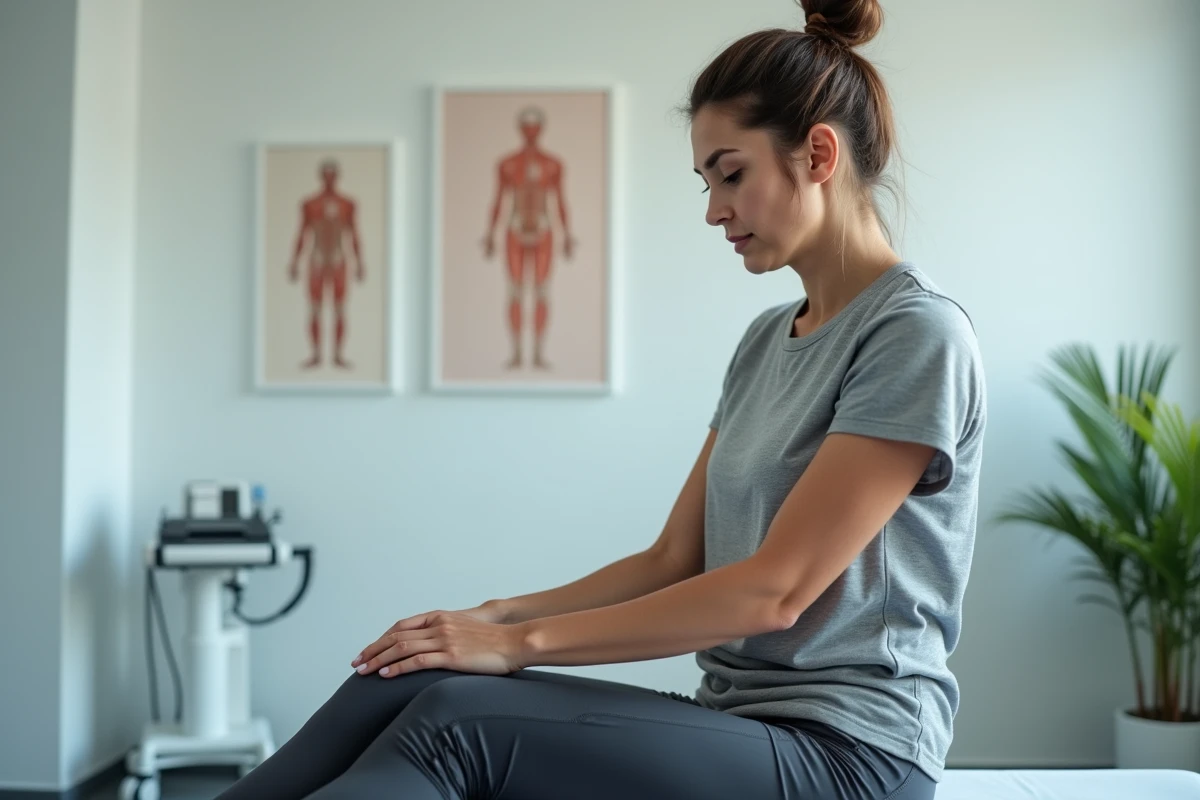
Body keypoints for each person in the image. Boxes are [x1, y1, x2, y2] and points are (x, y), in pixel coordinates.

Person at [219, 0, 984, 796]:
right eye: (706, 181)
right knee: (408, 679)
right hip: (742, 722)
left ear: (818, 153)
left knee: (455, 729)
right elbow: (673, 559)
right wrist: (497, 617)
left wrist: (521, 646)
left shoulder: (914, 335)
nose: (714, 209)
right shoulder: (765, 341)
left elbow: (775, 592)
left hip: (855, 756)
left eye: (732, 173)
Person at [482, 106, 575, 370]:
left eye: (535, 126)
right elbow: (498, 199)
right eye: (527, 126)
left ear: (541, 128)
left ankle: (537, 354)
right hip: (514, 229)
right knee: (515, 291)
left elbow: (560, 200)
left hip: (544, 230)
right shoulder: (507, 164)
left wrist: (567, 235)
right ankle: (516, 353)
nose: (531, 132)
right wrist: (490, 234)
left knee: (542, 292)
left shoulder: (553, 164)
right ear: (520, 128)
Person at [288, 158, 365, 370]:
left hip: (339, 260)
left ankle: (338, 355)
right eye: (326, 174)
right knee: (314, 309)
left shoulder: (347, 204)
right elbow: (302, 233)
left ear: (337, 176)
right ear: (321, 176)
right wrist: (294, 261)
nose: (330, 178)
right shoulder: (310, 204)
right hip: (317, 260)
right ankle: (316, 354)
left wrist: (360, 262)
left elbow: (354, 234)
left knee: (340, 309)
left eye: (333, 174)